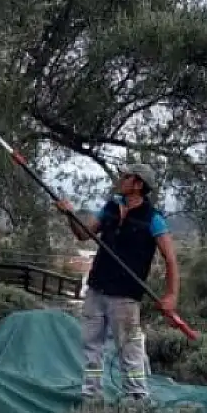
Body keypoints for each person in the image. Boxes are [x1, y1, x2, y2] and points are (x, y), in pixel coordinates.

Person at [56, 163, 179, 400]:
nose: (120, 179)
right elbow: (83, 234)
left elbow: (171, 260)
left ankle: (136, 399)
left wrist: (171, 296)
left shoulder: (153, 219)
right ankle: (91, 397)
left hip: (125, 297)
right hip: (96, 289)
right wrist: (69, 214)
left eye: (126, 177)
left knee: (129, 351)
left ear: (138, 184)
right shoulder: (111, 207)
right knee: (92, 349)